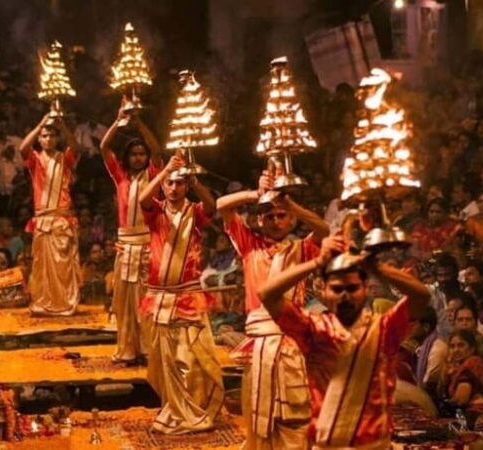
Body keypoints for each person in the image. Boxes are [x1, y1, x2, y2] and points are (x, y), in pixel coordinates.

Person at [259, 235, 431, 448]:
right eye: (337, 289)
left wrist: (375, 266)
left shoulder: (386, 328)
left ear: (365, 288)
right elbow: (267, 294)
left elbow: (421, 296)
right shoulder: (313, 329)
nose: (344, 296)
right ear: (324, 291)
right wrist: (317, 262)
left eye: (352, 289)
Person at [217, 167, 328, 449]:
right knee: (256, 415)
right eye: (270, 215)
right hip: (258, 343)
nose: (276, 221)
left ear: (292, 219)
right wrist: (257, 194)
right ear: (259, 219)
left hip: (292, 344)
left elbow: (324, 230)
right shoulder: (249, 246)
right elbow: (221, 206)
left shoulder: (301, 249)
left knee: (294, 412)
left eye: (282, 215)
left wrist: (288, 201)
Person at [138, 154, 223, 434]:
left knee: (189, 358)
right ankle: (173, 409)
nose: (173, 188)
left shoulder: (195, 213)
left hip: (187, 295)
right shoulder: (156, 211)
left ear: (186, 186)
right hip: (159, 296)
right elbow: (142, 199)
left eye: (179, 184)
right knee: (164, 361)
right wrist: (165, 171)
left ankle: (192, 411)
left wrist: (194, 180)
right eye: (169, 184)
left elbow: (213, 205)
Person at [100, 98, 163, 363]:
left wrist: (140, 125)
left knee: (146, 298)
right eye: (134, 154)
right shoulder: (120, 176)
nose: (138, 157)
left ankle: (148, 349)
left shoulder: (154, 174)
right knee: (125, 301)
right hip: (125, 244)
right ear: (127, 157)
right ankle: (128, 348)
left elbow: (158, 150)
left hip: (148, 244)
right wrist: (118, 121)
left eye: (142, 154)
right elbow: (104, 147)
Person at [20, 113, 82, 317]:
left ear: (57, 138)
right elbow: (22, 149)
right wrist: (40, 124)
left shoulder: (65, 158)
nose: (48, 139)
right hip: (43, 219)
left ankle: (64, 304)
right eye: (44, 136)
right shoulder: (35, 159)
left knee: (62, 265)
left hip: (61, 219)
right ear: (39, 138)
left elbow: (77, 148)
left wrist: (62, 126)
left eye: (52, 136)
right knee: (42, 266)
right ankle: (44, 303)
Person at [438, 329, 483, 424]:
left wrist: (443, 403)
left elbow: (461, 400)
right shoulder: (457, 367)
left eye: (461, 345)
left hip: (477, 416)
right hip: (464, 415)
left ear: (472, 348)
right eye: (452, 346)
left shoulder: (473, 362)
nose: (456, 350)